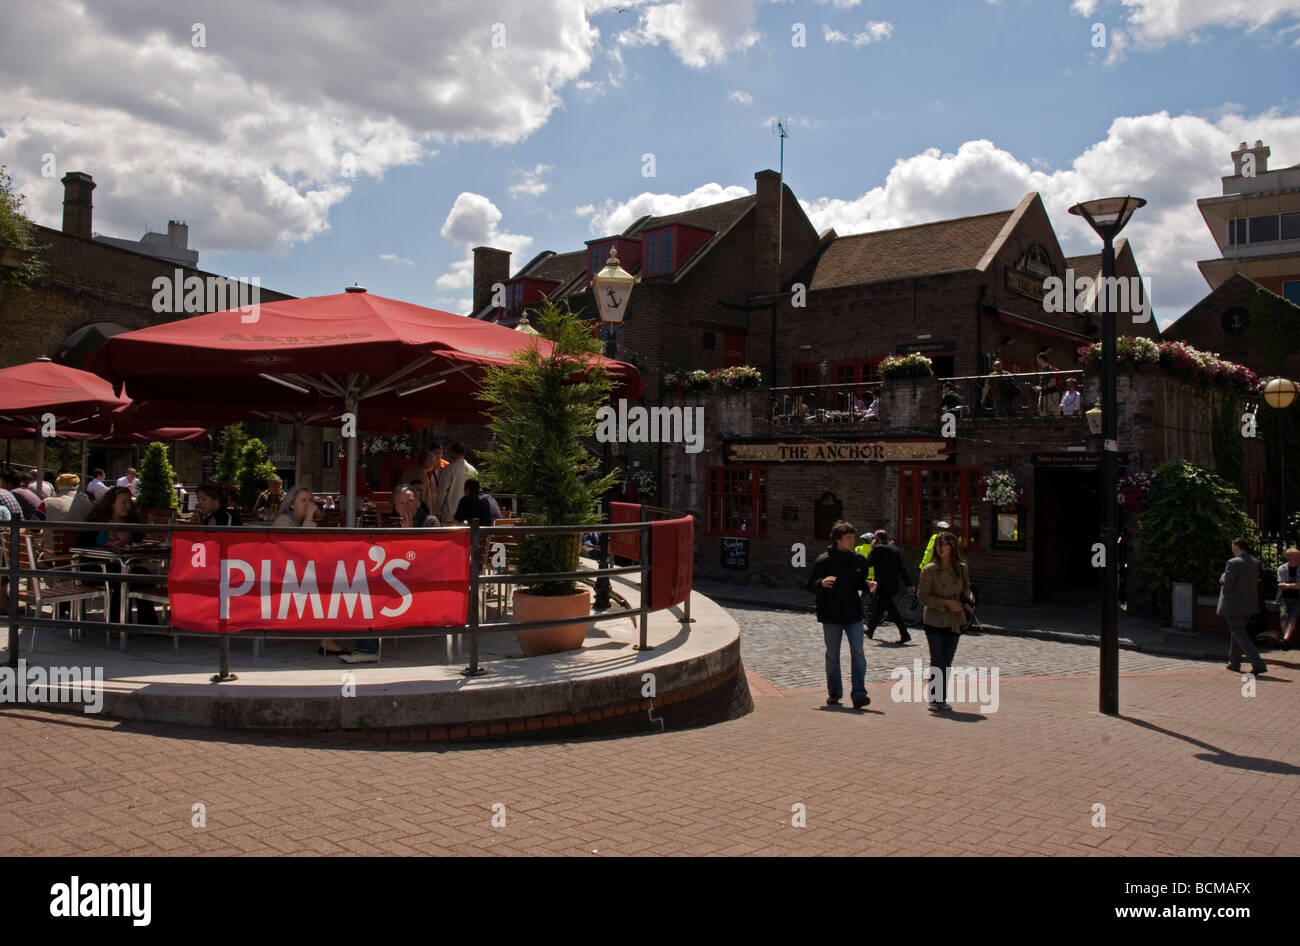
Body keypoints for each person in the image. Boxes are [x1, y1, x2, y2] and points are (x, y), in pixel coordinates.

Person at [341, 485, 439, 665]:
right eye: (401, 503)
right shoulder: (393, 522)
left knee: (369, 593)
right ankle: (363, 645)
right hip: (395, 577)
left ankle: (367, 649)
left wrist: (409, 535)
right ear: (395, 506)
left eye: (410, 501)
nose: (406, 507)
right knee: (359, 586)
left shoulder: (430, 522)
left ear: (418, 503)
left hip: (418, 582)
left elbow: (424, 559)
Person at [807, 520, 877, 709]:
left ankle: (859, 693)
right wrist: (821, 583)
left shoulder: (858, 560)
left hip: (853, 613)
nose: (852, 541)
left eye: (853, 537)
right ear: (838, 540)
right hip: (830, 615)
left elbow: (860, 583)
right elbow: (811, 585)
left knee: (858, 653)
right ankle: (835, 693)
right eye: (848, 538)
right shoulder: (824, 560)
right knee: (832, 656)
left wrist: (868, 586)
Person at [78, 486, 156, 626]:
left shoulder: (132, 522)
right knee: (119, 581)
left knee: (145, 577)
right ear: (112, 503)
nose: (128, 506)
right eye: (123, 502)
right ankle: (117, 626)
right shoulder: (96, 522)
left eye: (129, 503)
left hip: (125, 565)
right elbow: (80, 547)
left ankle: (149, 624)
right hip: (95, 566)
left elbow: (138, 544)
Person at [917, 531, 973, 711]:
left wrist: (967, 601)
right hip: (934, 618)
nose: (941, 549)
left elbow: (966, 589)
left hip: (955, 618)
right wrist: (945, 603)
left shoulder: (961, 568)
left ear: (952, 547)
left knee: (947, 660)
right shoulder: (929, 570)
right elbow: (923, 597)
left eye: (945, 545)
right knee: (938, 658)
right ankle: (935, 699)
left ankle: (941, 698)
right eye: (938, 545)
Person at [1219, 537, 1266, 676]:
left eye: (1233, 547)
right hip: (1248, 603)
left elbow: (1227, 583)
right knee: (1237, 632)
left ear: (1237, 547)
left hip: (1234, 604)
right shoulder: (1254, 561)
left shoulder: (1233, 562)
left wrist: (1222, 577)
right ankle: (1234, 663)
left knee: (1238, 632)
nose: (1232, 549)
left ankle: (1258, 663)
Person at [864, 529, 917, 644]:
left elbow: (868, 563)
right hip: (892, 584)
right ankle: (870, 630)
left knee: (892, 611)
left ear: (877, 539)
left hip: (881, 585)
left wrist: (872, 548)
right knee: (879, 608)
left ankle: (905, 633)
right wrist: (909, 584)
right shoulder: (894, 550)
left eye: (874, 538)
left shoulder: (877, 549)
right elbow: (901, 568)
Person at [43, 473, 92, 547]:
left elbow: (33, 528)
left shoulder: (46, 503)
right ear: (77, 486)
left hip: (52, 554)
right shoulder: (88, 504)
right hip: (80, 553)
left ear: (57, 486)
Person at [436, 443, 477, 523]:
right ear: (464, 453)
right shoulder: (473, 470)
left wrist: (438, 509)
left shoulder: (449, 469)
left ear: (453, 453)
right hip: (468, 513)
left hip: (451, 512)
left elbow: (442, 491)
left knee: (450, 535)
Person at [397, 445, 447, 511]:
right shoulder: (421, 474)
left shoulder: (416, 470)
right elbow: (422, 496)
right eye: (432, 462)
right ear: (425, 462)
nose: (433, 464)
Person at [1275, 547, 1299, 650]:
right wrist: (1294, 585)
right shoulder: (1282, 568)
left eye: (1298, 556)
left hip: (1298, 598)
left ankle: (1285, 640)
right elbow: (1280, 584)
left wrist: (1288, 585)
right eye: (1295, 556)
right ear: (1288, 557)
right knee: (1284, 617)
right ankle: (1286, 640)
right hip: (1284, 598)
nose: (1297, 558)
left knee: (1293, 618)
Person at [1033, 351, 1061, 416]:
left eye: (1037, 359)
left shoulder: (1050, 369)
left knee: (1055, 415)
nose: (1037, 361)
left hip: (1052, 394)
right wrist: (1039, 387)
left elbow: (1053, 382)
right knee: (1043, 414)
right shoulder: (1043, 369)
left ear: (1041, 359)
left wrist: (1042, 388)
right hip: (1044, 394)